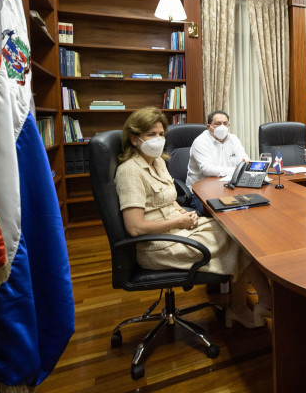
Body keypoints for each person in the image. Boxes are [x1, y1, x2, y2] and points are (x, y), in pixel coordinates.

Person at [114, 107, 270, 328]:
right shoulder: (129, 171)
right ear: (134, 139)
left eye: (161, 134)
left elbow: (168, 199)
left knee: (239, 233)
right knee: (238, 244)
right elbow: (135, 228)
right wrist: (179, 221)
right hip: (157, 245)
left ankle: (246, 305)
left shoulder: (157, 162)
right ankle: (259, 303)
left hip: (177, 230)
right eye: (151, 134)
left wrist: (181, 211)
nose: (158, 139)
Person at [185, 110, 249, 190]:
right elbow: (207, 170)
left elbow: (245, 161)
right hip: (201, 189)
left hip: (228, 186)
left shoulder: (233, 139)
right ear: (208, 127)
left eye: (225, 123)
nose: (222, 127)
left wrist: (243, 166)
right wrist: (236, 170)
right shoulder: (200, 141)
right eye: (217, 124)